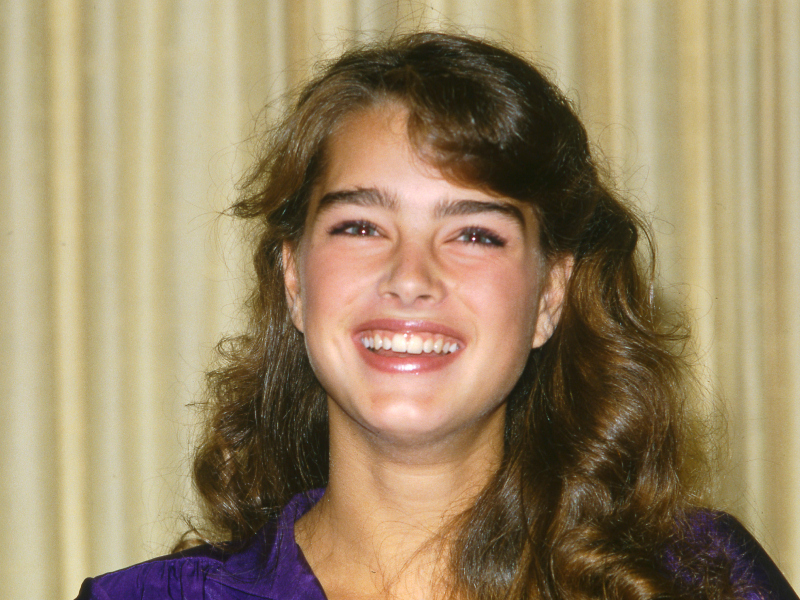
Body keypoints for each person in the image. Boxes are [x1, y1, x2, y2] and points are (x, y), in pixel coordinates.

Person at [76, 32, 797, 600]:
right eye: (360, 226)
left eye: (475, 234)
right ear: (293, 278)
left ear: (550, 296)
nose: (411, 278)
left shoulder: (700, 581)